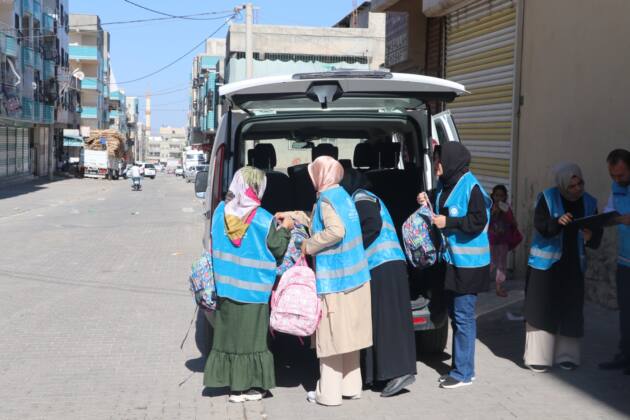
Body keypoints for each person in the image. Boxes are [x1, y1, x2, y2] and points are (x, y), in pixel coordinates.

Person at [276, 156, 372, 406]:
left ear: (321, 175)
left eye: (314, 172)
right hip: (357, 277)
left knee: (330, 337)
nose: (311, 178)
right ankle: (350, 386)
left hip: (336, 280)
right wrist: (293, 215)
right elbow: (318, 220)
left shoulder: (326, 200)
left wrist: (308, 245)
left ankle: (328, 394)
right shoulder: (342, 196)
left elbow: (335, 230)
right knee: (349, 336)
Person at [203, 167, 292, 403]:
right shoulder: (264, 220)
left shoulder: (220, 212)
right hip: (255, 291)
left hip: (226, 288)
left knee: (228, 337)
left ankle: (234, 387)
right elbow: (278, 249)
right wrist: (286, 229)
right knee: (253, 341)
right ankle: (252, 387)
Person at [417, 142, 492, 389]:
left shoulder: (471, 187)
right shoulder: (446, 183)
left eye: (438, 160)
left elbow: (477, 221)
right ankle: (461, 367)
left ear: (450, 161)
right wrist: (426, 198)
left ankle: (463, 374)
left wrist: (448, 222)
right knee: (456, 315)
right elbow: (441, 205)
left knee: (463, 317)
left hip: (469, 264)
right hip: (452, 261)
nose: (435, 165)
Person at [340, 168, 417, 398]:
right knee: (381, 320)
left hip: (384, 264)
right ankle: (380, 374)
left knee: (388, 320)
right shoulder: (364, 197)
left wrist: (352, 249)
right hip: (384, 265)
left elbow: (372, 225)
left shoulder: (361, 197)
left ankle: (399, 372)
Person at [524, 162, 602, 373]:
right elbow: (541, 227)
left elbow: (597, 234)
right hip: (545, 266)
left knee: (571, 310)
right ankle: (538, 357)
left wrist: (590, 237)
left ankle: (567, 356)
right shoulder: (547, 198)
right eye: (572, 186)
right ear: (561, 185)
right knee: (541, 309)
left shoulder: (589, 201)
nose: (577, 189)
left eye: (580, 184)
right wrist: (558, 222)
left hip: (574, 265)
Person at [599, 149, 630, 375]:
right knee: (625, 311)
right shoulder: (616, 188)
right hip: (625, 261)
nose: (617, 179)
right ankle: (625, 354)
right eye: (613, 175)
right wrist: (617, 218)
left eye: (621, 175)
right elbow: (609, 215)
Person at [489, 184, 522, 297]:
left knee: (502, 264)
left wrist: (505, 212)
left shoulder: (506, 208)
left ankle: (499, 286)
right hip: (491, 240)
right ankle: (481, 282)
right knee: (491, 263)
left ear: (505, 197)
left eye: (501, 196)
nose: (499, 198)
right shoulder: (490, 207)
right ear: (492, 196)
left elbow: (513, 222)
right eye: (496, 195)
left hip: (503, 241)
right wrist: (493, 213)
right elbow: (485, 221)